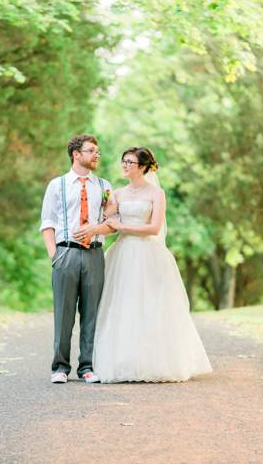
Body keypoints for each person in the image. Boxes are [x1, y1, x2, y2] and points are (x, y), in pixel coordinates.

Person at [93, 146, 212, 383]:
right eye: (123, 161)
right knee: (123, 305)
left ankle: (156, 362)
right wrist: (106, 220)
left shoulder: (157, 194)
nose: (124, 165)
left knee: (151, 305)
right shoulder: (116, 193)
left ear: (144, 167)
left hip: (149, 253)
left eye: (130, 162)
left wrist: (121, 226)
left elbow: (154, 228)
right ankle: (124, 362)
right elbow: (109, 225)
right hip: (123, 253)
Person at [40, 134, 117, 384]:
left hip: (94, 254)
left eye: (98, 151)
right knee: (63, 314)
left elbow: (113, 225)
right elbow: (48, 223)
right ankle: (60, 367)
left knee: (91, 312)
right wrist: (55, 256)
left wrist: (96, 229)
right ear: (76, 154)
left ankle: (87, 367)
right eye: (92, 151)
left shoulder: (104, 186)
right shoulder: (57, 185)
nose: (97, 155)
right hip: (66, 253)